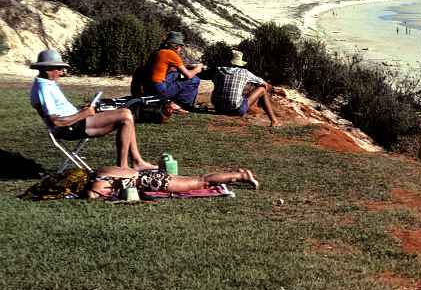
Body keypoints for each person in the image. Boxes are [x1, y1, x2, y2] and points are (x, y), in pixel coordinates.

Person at [28, 49, 157, 170]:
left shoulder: (46, 84)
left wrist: (82, 111)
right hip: (70, 128)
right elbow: (56, 122)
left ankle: (136, 162)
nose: (62, 72)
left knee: (127, 114)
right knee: (125, 116)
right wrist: (83, 113)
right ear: (47, 68)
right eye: (59, 68)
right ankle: (122, 167)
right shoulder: (43, 88)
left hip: (75, 122)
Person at [83, 165, 259, 200]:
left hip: (151, 182)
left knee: (201, 182)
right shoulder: (101, 171)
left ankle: (241, 176)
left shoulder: (96, 183)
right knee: (199, 179)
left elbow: (92, 196)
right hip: (149, 176)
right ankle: (237, 175)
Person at [211, 50, 280, 126]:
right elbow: (264, 84)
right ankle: (274, 121)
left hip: (218, 108)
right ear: (240, 63)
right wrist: (274, 90)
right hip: (237, 111)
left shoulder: (218, 70)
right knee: (262, 89)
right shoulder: (245, 72)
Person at [146, 32, 203, 111]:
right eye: (180, 47)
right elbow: (188, 75)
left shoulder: (158, 52)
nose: (181, 49)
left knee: (175, 74)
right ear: (176, 46)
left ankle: (173, 101)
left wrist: (187, 67)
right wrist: (197, 69)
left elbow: (165, 67)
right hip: (158, 89)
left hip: (148, 87)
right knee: (194, 79)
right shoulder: (171, 54)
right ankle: (181, 105)